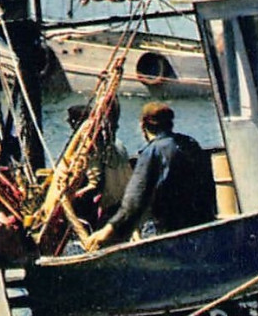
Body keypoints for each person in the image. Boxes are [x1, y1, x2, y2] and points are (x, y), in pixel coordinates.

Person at [84, 102, 216, 250]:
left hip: (175, 233)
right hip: (205, 227)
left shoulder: (153, 152)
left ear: (142, 126)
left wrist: (108, 230)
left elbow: (134, 201)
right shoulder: (190, 143)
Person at [67, 101, 131, 229]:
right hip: (123, 197)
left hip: (109, 202)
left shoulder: (91, 148)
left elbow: (94, 183)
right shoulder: (117, 143)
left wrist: (72, 195)